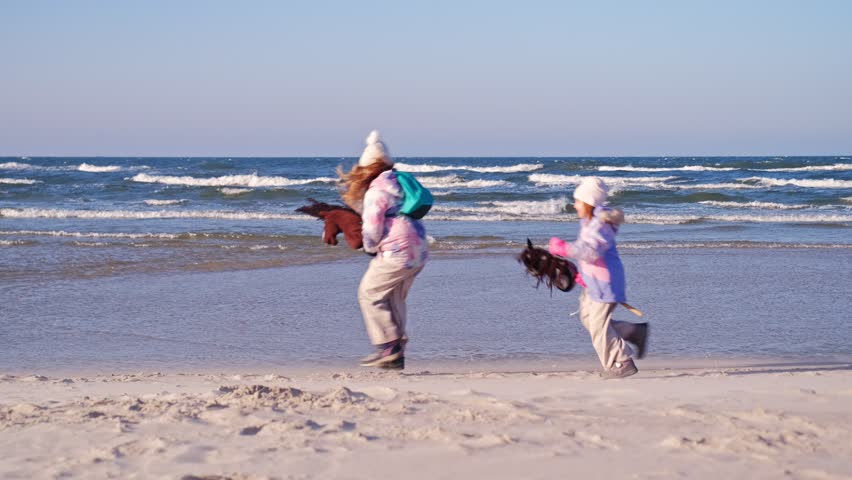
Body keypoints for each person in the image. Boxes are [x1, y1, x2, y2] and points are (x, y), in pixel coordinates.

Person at [337, 130, 429, 370]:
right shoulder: (398, 182)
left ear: (366, 169)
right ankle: (396, 349)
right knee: (394, 297)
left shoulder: (375, 192)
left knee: (369, 293)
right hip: (418, 248)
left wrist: (369, 247)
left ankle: (388, 346)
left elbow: (373, 225)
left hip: (397, 250)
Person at [548, 177, 648, 379]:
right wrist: (583, 276)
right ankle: (630, 331)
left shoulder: (600, 225)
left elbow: (591, 251)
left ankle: (621, 362)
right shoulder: (590, 222)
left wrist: (565, 249)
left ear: (588, 202)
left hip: (605, 283)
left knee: (598, 326)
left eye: (577, 201)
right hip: (594, 281)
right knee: (587, 318)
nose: (574, 205)